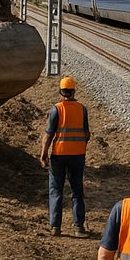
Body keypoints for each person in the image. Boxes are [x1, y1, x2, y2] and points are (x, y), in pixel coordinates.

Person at [39, 76, 91, 237]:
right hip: (77, 156)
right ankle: (79, 228)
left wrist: (43, 154)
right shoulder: (82, 109)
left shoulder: (57, 109)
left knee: (56, 190)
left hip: (59, 156)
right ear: (74, 91)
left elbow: (48, 135)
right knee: (77, 191)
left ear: (61, 92)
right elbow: (87, 134)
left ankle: (55, 227)